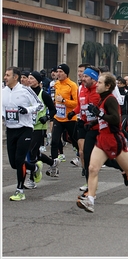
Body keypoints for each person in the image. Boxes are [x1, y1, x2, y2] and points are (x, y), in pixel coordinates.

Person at [76, 72, 128, 213]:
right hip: (102, 138)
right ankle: (90, 200)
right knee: (92, 168)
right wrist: (94, 122)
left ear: (108, 86)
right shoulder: (102, 99)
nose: (97, 85)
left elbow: (115, 119)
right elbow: (104, 118)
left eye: (100, 82)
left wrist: (99, 114)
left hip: (114, 139)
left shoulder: (110, 99)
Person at [2, 66, 43, 201]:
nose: (5, 78)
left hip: (24, 129)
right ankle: (34, 167)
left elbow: (39, 105)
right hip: (11, 130)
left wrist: (27, 110)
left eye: (7, 75)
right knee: (14, 163)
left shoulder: (25, 90)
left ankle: (20, 190)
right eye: (5, 75)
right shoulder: (3, 91)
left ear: (15, 77)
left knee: (20, 160)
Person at [42, 64, 79, 177]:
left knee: (75, 141)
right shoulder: (56, 84)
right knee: (54, 141)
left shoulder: (72, 85)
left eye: (61, 71)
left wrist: (64, 100)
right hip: (58, 117)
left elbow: (76, 103)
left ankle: (82, 158)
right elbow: (54, 100)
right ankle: (54, 166)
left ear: (66, 73)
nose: (58, 73)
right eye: (57, 71)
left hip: (70, 118)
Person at [24, 71, 56, 189]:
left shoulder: (44, 94)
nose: (29, 80)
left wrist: (46, 117)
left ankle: (31, 180)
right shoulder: (26, 93)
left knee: (32, 152)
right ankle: (52, 163)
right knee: (34, 152)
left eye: (32, 78)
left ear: (38, 81)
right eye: (29, 78)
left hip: (39, 127)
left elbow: (53, 110)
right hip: (27, 126)